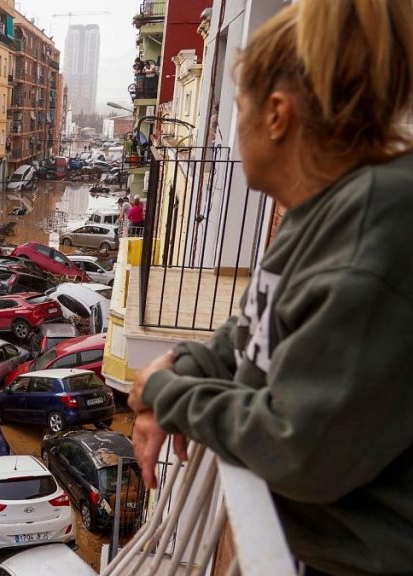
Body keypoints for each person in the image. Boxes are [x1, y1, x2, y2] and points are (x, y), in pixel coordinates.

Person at [127, 1, 413, 575]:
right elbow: (252, 327)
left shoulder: (370, 236)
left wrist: (167, 395)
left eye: (239, 107)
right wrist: (185, 363)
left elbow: (298, 447)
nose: (236, 125)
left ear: (277, 115)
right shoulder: (322, 210)